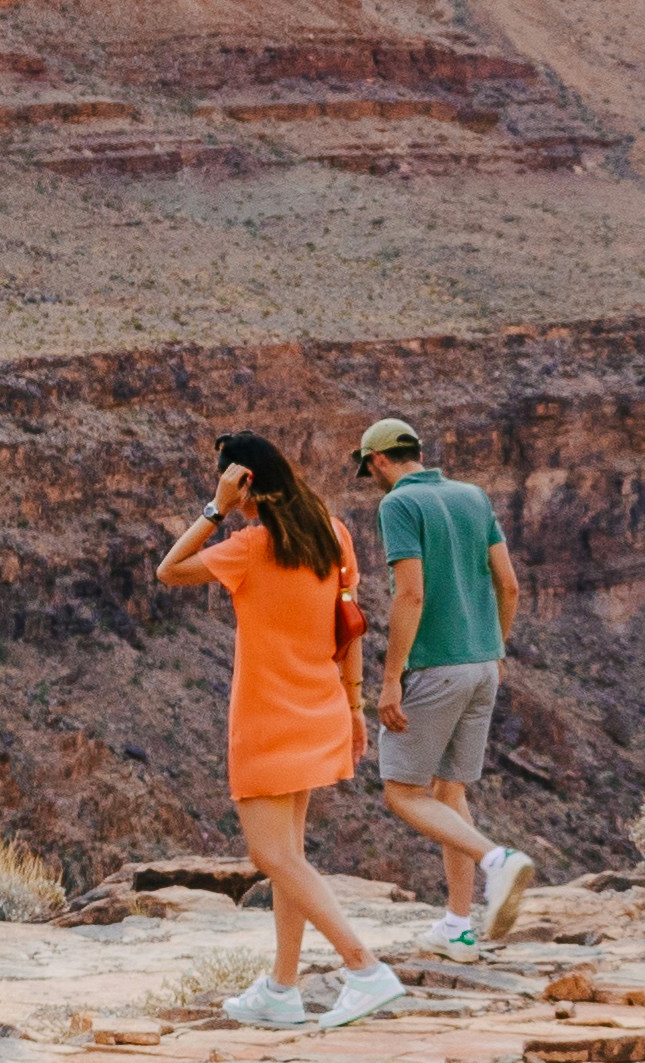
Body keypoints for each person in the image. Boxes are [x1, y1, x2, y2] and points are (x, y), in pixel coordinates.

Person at [154, 429, 396, 1028]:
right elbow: (351, 625)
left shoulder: (249, 546)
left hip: (265, 721)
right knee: (290, 857)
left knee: (270, 855)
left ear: (245, 482)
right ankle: (282, 989)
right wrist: (354, 707)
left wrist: (216, 508)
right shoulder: (332, 533)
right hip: (320, 709)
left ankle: (365, 969)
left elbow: (169, 570)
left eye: (229, 481)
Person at [352, 415, 536, 947]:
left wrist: (390, 679)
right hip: (483, 666)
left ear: (378, 460)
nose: (371, 479)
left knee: (402, 792)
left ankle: (497, 859)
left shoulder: (399, 504)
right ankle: (458, 928)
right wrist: (495, 647)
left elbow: (410, 594)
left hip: (435, 667)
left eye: (369, 469)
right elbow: (510, 585)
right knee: (449, 792)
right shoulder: (472, 496)